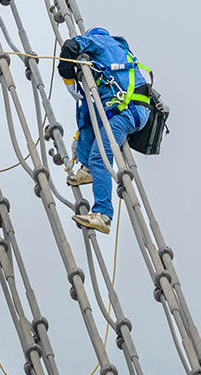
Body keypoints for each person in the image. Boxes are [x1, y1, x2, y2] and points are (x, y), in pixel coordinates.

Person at [57, 28, 152, 233]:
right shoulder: (117, 51)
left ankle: (103, 214)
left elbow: (70, 47)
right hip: (123, 108)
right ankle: (88, 169)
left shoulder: (100, 41)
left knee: (100, 156)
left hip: (126, 111)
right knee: (89, 116)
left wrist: (68, 79)